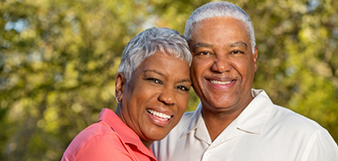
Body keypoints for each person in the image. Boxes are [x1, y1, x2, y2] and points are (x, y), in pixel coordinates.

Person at [152, 2, 338, 161]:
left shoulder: (307, 141)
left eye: (235, 52)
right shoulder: (162, 136)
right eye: (205, 53)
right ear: (189, 60)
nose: (221, 66)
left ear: (254, 58)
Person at [61, 27, 192, 161]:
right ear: (121, 85)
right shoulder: (103, 146)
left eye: (181, 87)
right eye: (155, 80)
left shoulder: (139, 150)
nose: (168, 98)